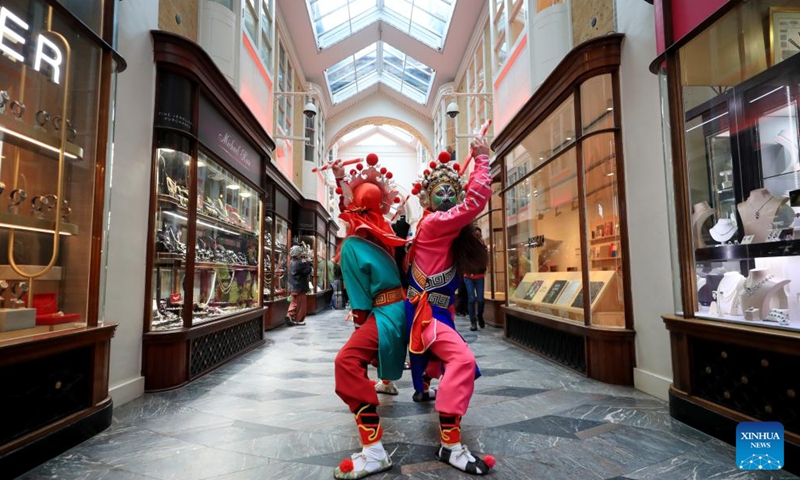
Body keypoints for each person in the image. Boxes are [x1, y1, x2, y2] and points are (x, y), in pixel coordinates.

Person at [403, 139, 495, 475]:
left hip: (436, 311)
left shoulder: (438, 226)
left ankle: (426, 389)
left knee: (442, 359)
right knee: (463, 360)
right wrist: (482, 160)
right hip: (427, 314)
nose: (446, 198)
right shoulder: (433, 224)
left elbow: (468, 200)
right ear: (427, 199)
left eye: (450, 192)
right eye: (438, 193)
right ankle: (451, 446)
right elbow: (474, 201)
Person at [331, 153, 408, 479]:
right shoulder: (384, 231)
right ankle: (387, 382)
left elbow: (360, 303)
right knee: (368, 344)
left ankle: (374, 450)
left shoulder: (352, 245)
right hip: (402, 307)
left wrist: (361, 319)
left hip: (384, 310)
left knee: (347, 361)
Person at [463, 226, 488, 331]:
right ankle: (473, 322)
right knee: (472, 298)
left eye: (478, 234)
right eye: (475, 235)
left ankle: (480, 315)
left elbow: (486, 260)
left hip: (479, 276)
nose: (477, 236)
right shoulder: (467, 246)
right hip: (468, 276)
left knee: (481, 300)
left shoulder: (483, 246)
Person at [286, 245, 312, 326]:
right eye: (300, 253)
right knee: (301, 304)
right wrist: (308, 264)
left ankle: (289, 315)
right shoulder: (298, 262)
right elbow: (307, 271)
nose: (301, 254)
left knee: (294, 302)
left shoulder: (292, 261)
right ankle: (298, 319)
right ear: (297, 254)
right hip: (299, 286)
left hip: (294, 286)